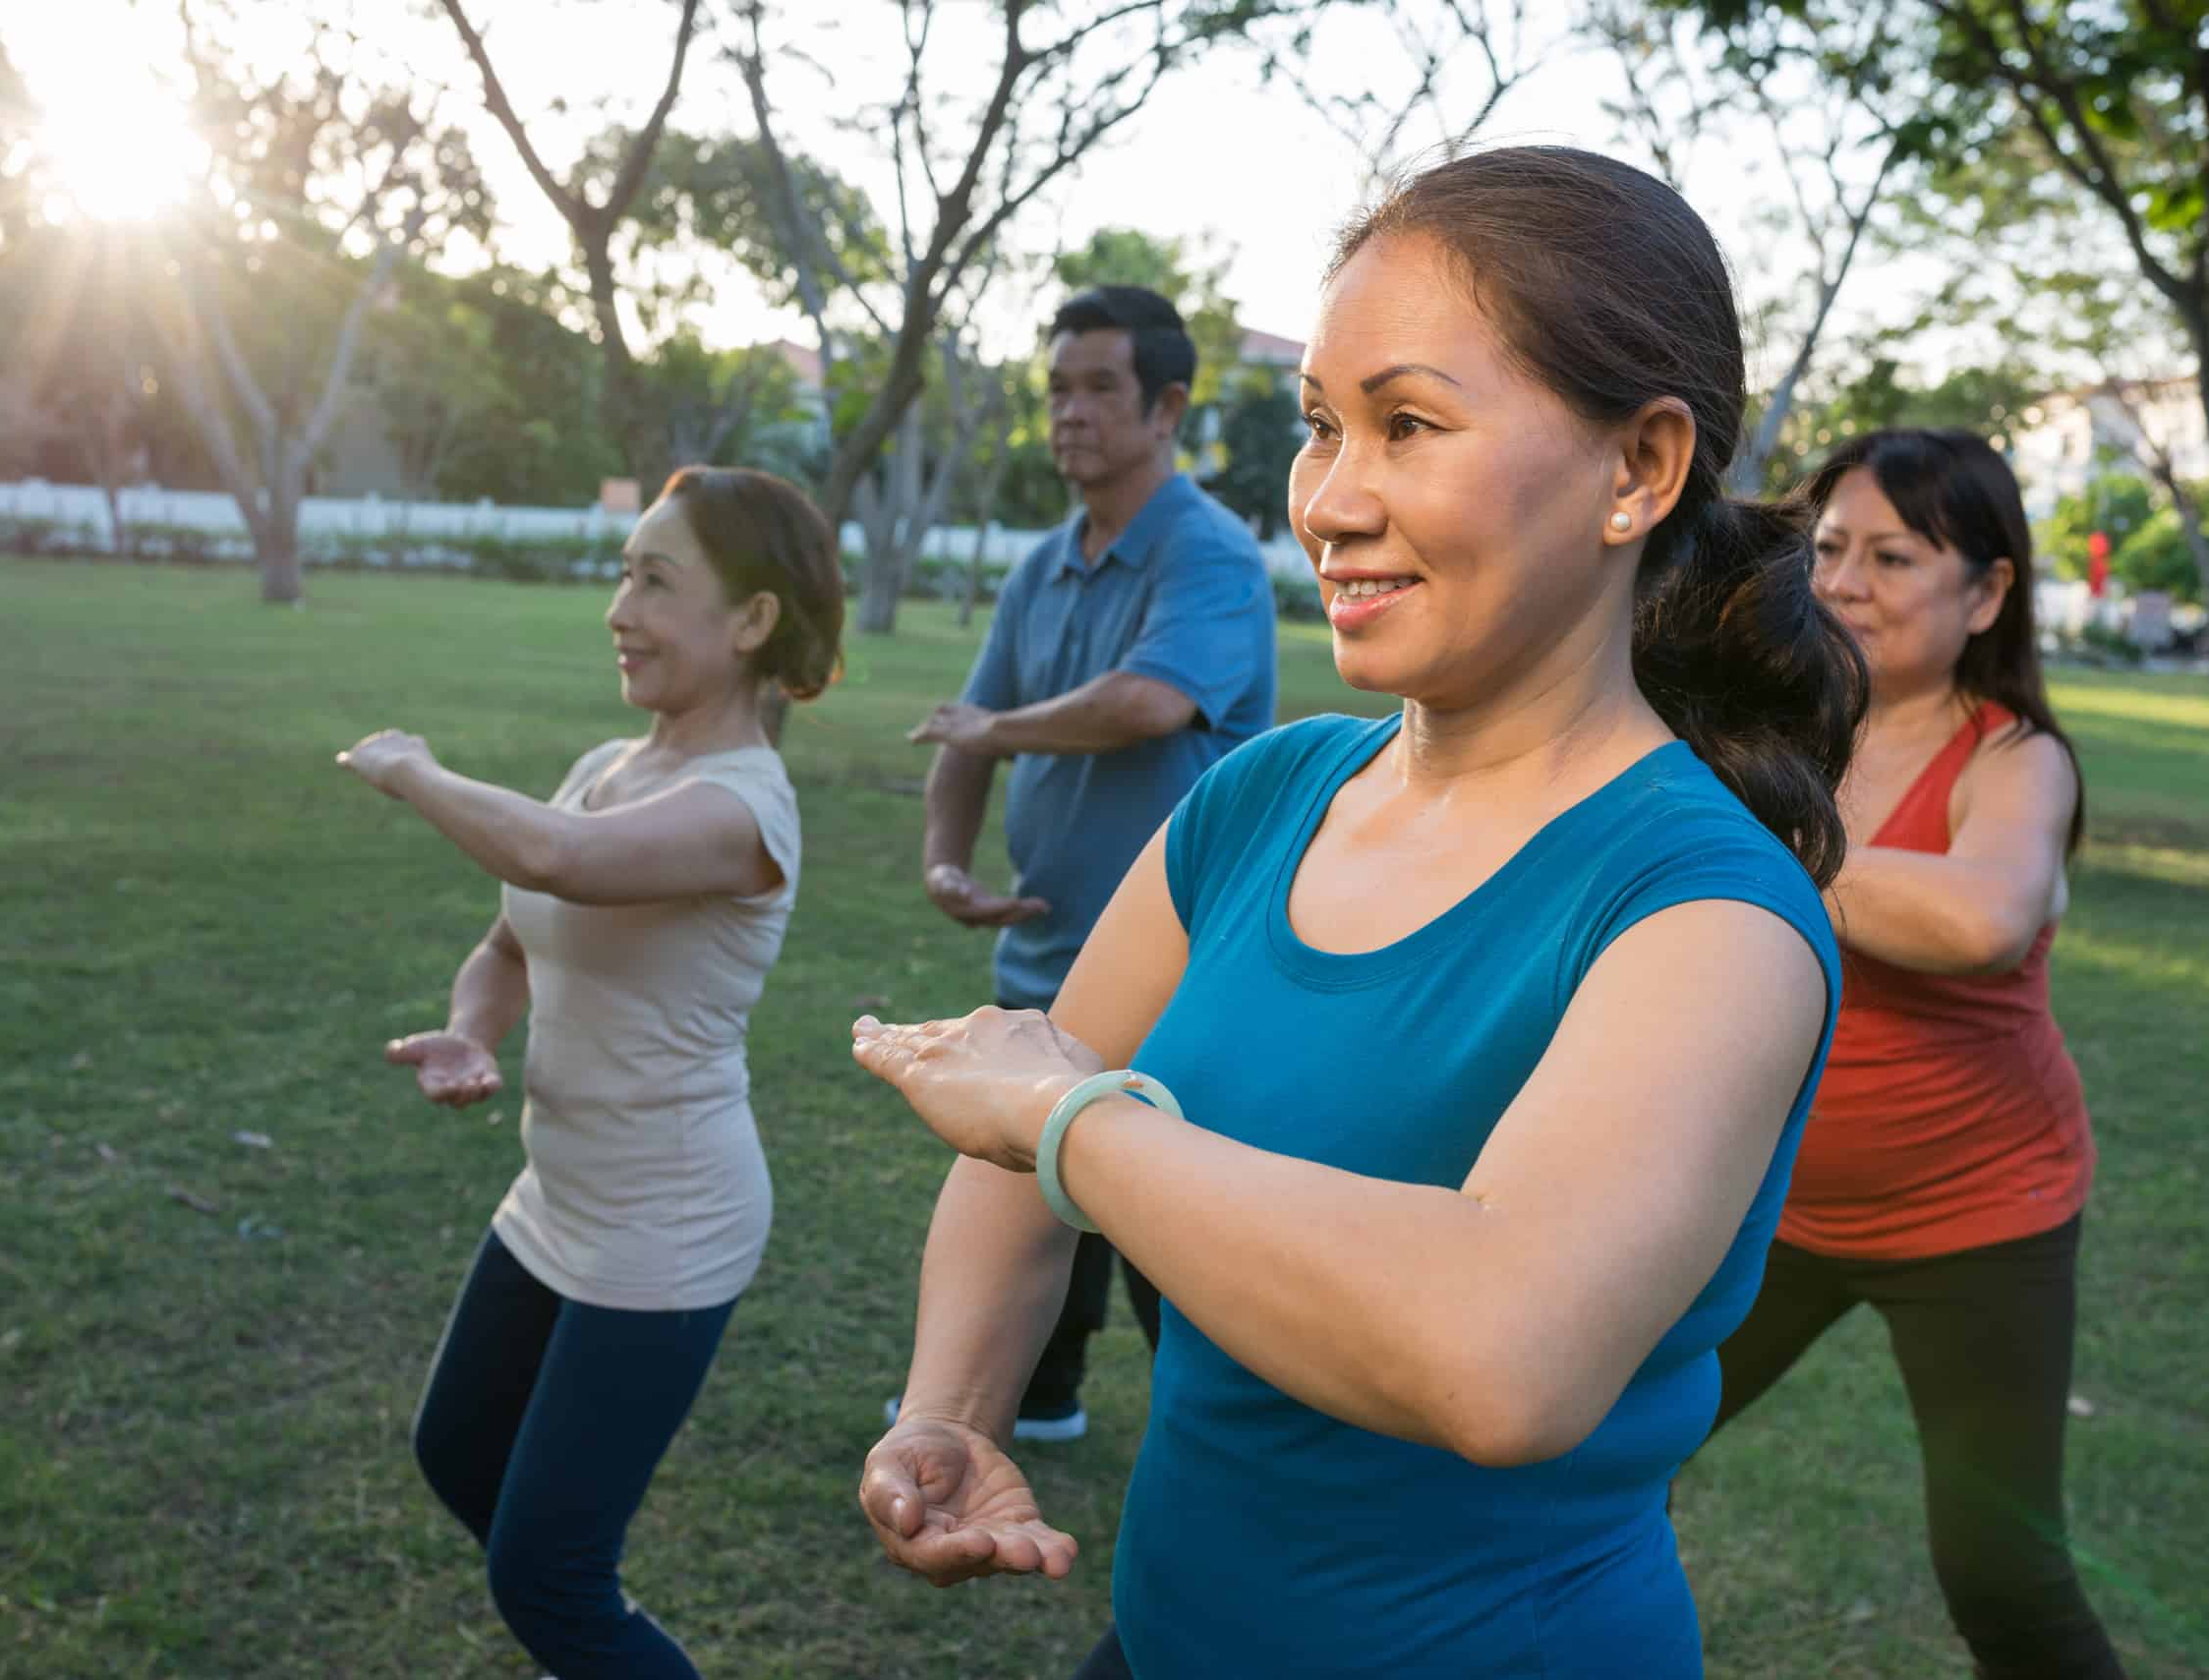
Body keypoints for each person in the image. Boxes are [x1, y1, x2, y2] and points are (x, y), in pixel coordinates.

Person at [845, 145, 1867, 1678]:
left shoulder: (1710, 913)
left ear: (1639, 470)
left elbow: (1502, 1354)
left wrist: (1078, 1125)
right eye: (1323, 427)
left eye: (1408, 424)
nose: (1327, 500)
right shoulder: (1261, 799)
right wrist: (950, 1406)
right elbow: (1010, 1157)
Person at [335, 466, 844, 1680]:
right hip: (555, 1197)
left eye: (654, 581)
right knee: (460, 1451)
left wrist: (417, 769)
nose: (618, 606)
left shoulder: (743, 810)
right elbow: (511, 936)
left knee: (547, 1572)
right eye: (623, 572)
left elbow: (554, 858)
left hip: (665, 1225)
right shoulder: (607, 762)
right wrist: (475, 1029)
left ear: (752, 620)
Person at [1697, 429, 2123, 1678]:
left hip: (1979, 1216)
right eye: (1828, 548)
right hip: (1773, 1206)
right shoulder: (1763, 726)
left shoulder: (2012, 755)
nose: (1843, 582)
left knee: (2002, 1573)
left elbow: (1984, 917)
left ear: (1985, 592)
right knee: (1596, 1450)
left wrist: (1763, 850)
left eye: (1892, 556)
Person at [892, 282, 1278, 1443]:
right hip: (1046, 942)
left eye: (1098, 388)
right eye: (1056, 389)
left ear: (1165, 406)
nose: (1069, 413)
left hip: (1183, 964)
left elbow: (1150, 702)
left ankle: (1224, 1432)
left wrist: (992, 733)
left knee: (1166, 1208)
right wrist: (946, 859)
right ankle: (1040, 1396)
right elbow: (973, 722)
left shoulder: (1206, 553)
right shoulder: (1042, 564)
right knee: (1020, 1178)